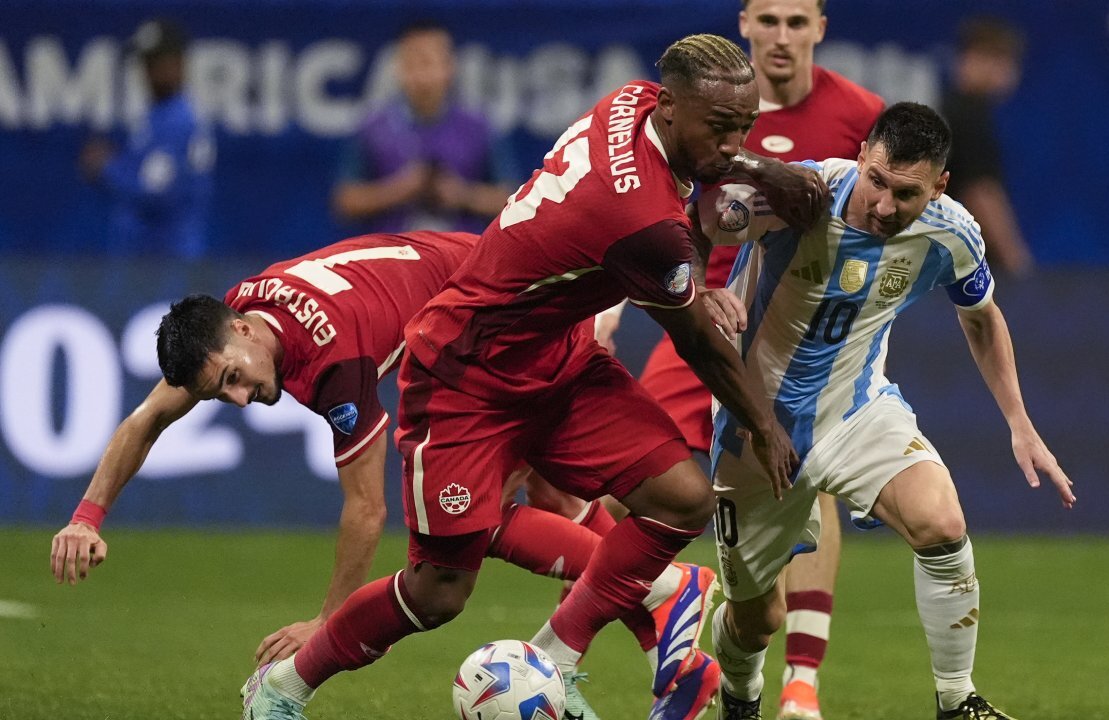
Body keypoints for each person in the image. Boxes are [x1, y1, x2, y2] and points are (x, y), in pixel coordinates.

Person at [240, 34, 830, 720]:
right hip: (466, 375)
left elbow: (705, 167)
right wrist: (763, 425)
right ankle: (283, 687)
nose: (732, 142)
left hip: (558, 358)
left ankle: (556, 656)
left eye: (745, 126)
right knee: (438, 592)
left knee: (680, 498)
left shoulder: (633, 101)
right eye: (720, 126)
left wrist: (755, 167)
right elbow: (699, 338)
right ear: (670, 107)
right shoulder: (637, 217)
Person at [48, 231, 717, 716]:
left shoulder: (334, 361)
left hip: (491, 335)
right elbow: (146, 419)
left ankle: (659, 592)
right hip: (493, 288)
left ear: (245, 333)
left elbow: (365, 509)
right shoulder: (241, 313)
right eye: (220, 392)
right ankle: (655, 612)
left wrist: (328, 620)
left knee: (454, 556)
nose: (238, 400)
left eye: (233, 381)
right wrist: (88, 515)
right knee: (516, 508)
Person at [694, 103, 1075, 720]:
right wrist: (697, 284)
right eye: (876, 180)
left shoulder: (952, 231)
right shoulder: (801, 197)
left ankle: (957, 701)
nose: (883, 205)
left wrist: (1020, 423)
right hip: (754, 424)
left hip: (857, 410)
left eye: (907, 193)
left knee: (942, 522)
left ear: (939, 187)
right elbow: (699, 216)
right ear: (863, 152)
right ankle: (740, 695)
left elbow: (981, 319)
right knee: (755, 618)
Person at [621, 4, 883, 717]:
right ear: (744, 23)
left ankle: (802, 679)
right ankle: (684, 627)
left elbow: (885, 227)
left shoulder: (861, 116)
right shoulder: (704, 105)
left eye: (797, 21)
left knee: (809, 472)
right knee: (629, 478)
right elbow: (658, 201)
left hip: (796, 331)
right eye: (768, 19)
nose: (781, 36)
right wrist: (687, 291)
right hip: (700, 315)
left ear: (820, 28)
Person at [331, 20, 512, 235]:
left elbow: (510, 199)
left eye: (428, 63)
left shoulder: (479, 126)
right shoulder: (373, 127)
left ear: (449, 66)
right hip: (391, 254)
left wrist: (462, 195)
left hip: (462, 254)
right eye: (411, 64)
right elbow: (345, 200)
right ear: (398, 68)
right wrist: (400, 189)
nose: (421, 76)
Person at [79, 18, 214, 258]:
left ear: (179, 62)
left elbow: (155, 193)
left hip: (168, 261)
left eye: (156, 62)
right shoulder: (157, 115)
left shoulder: (180, 120)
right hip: (145, 260)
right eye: (145, 63)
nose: (148, 72)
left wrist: (106, 167)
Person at [940, 17, 1033, 278]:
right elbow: (981, 193)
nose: (1012, 73)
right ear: (977, 58)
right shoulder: (968, 115)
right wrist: (1015, 258)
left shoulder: (946, 108)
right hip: (963, 266)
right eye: (1006, 62)